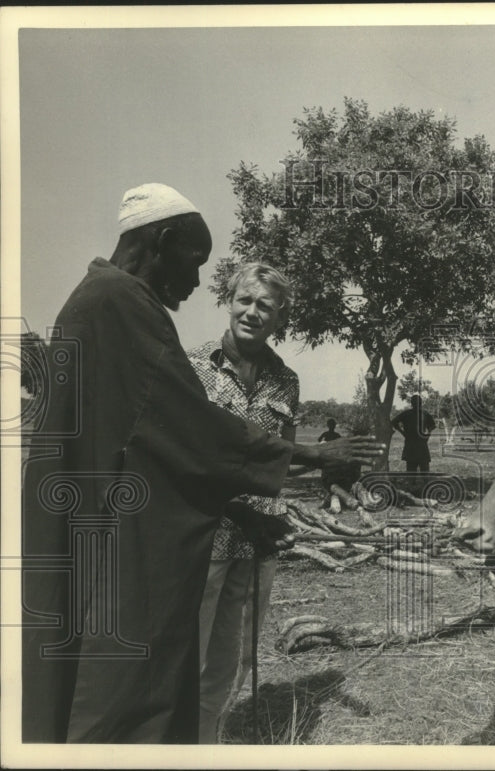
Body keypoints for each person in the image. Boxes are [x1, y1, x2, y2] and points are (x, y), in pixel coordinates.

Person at [20, 183, 384, 744]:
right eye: (195, 263)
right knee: (122, 692)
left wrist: (247, 512)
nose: (195, 282)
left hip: (144, 531)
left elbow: (152, 453)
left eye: (266, 305)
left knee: (207, 673)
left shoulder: (103, 299)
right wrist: (313, 454)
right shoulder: (123, 303)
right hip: (131, 546)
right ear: (163, 239)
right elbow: (192, 434)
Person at [187, 262, 304, 742]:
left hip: (259, 543)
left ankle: (210, 739)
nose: (252, 313)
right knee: (187, 650)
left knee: (236, 654)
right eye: (245, 301)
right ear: (229, 301)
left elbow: (283, 460)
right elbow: (184, 459)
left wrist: (324, 466)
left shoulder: (287, 381)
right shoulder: (192, 367)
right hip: (203, 535)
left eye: (266, 307)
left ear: (280, 320)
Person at [391, 394, 437, 474]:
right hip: (410, 443)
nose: (416, 404)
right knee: (411, 470)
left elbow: (432, 425)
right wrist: (402, 433)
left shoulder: (425, 414)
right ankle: (411, 484)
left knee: (425, 469)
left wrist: (427, 434)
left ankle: (425, 484)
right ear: (412, 403)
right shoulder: (406, 414)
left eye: (418, 402)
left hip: (421, 444)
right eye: (414, 402)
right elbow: (394, 422)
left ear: (421, 403)